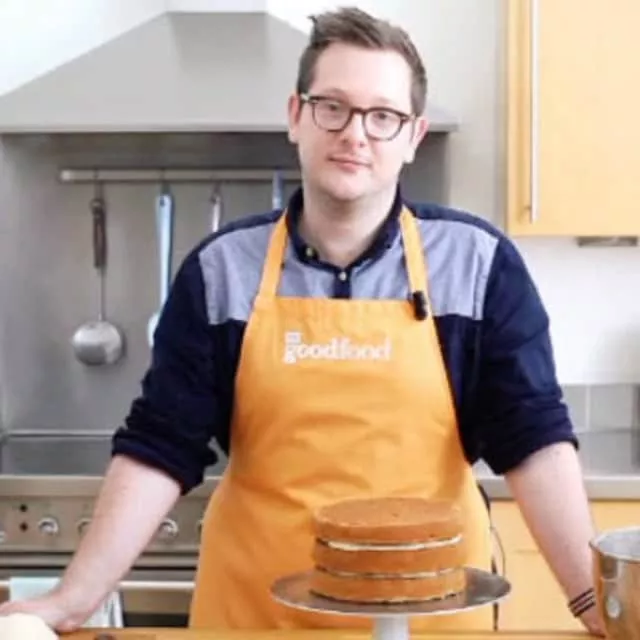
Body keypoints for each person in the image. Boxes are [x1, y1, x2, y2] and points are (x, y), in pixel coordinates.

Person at [0, 6, 603, 636]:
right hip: (256, 616)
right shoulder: (221, 270)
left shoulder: (477, 264)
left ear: (414, 136)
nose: (356, 133)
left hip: (426, 619)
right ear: (296, 116)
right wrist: (75, 598)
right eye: (332, 107)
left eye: (383, 115)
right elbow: (161, 443)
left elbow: (532, 436)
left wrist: (594, 602)